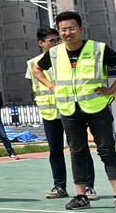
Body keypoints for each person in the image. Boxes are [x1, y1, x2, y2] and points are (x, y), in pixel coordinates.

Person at [32, 11, 116, 212]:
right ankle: (81, 196)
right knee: (77, 152)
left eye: (72, 28)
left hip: (97, 108)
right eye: (63, 29)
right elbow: (36, 70)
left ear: (80, 29)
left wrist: (113, 89)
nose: (67, 33)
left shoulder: (97, 48)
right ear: (59, 32)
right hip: (69, 110)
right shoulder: (54, 53)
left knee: (107, 151)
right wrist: (52, 86)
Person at [26, 27, 96, 199]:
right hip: (50, 113)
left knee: (80, 148)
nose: (56, 43)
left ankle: (88, 187)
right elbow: (34, 88)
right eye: (51, 40)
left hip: (71, 110)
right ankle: (59, 186)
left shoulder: (66, 58)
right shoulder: (33, 63)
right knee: (55, 151)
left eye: (57, 40)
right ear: (41, 43)